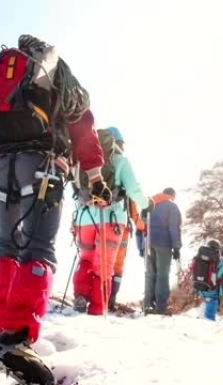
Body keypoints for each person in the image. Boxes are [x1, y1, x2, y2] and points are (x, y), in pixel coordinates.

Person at [0, 35, 111, 385]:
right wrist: (95, 177)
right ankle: (17, 339)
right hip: (43, 167)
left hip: (0, 169)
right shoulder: (58, 77)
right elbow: (83, 130)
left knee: (4, 246)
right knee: (38, 248)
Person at [72, 126, 149, 315]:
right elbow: (134, 190)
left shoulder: (84, 161)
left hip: (84, 219)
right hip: (112, 220)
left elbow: (77, 192)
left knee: (86, 259)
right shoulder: (120, 161)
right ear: (119, 143)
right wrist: (147, 204)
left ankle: (81, 294)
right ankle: (98, 309)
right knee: (104, 265)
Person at [143, 187, 182, 314]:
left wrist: (141, 246)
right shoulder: (171, 206)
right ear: (171, 195)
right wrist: (176, 247)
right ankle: (161, 307)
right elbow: (174, 227)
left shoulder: (149, 204)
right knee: (162, 275)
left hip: (148, 243)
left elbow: (141, 225)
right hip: (164, 243)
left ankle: (148, 305)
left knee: (150, 275)